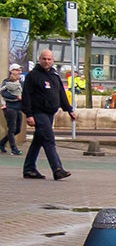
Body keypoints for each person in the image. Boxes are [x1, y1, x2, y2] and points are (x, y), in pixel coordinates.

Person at [20, 48, 74, 180]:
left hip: (50, 113)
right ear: (40, 59)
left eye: (49, 59)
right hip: (38, 113)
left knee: (38, 141)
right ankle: (57, 169)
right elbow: (26, 95)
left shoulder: (54, 75)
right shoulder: (33, 76)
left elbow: (61, 93)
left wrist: (69, 110)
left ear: (53, 61)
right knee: (49, 140)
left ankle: (29, 169)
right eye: (44, 59)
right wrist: (28, 114)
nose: (46, 61)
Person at [0, 64, 24, 155]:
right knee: (12, 128)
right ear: (11, 71)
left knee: (18, 129)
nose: (19, 72)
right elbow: (3, 93)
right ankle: (14, 148)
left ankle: (2, 143)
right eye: (17, 70)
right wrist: (16, 97)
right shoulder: (6, 82)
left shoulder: (21, 83)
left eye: (19, 70)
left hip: (18, 108)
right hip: (10, 108)